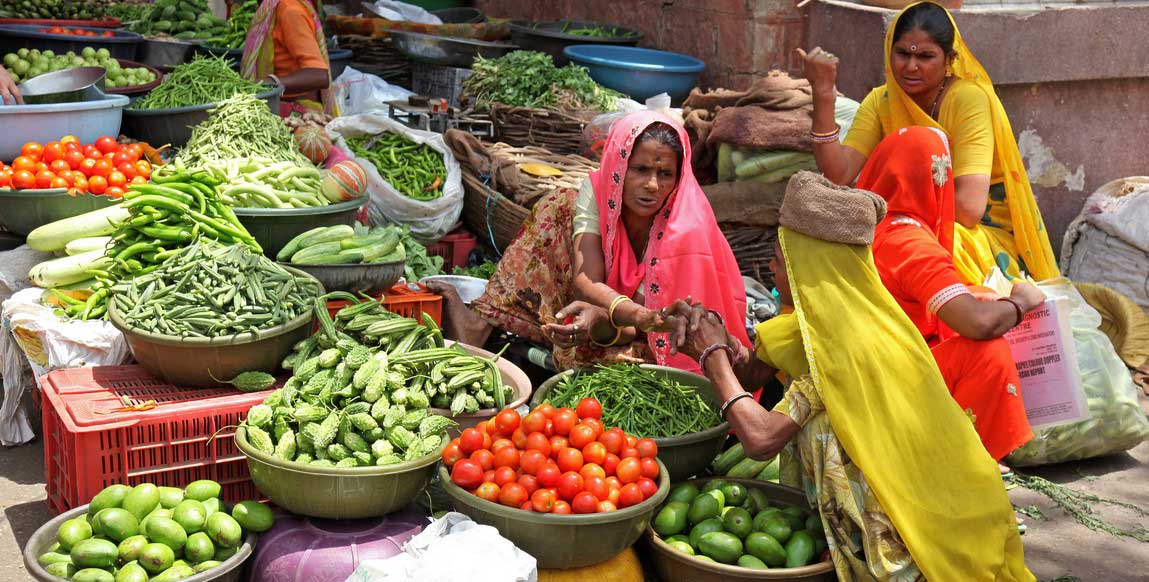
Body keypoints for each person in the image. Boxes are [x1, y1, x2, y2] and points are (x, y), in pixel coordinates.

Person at [663, 173, 1033, 581]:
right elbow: (754, 369)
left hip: (911, 538)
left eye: (780, 259)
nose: (770, 267)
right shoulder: (824, 322)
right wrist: (713, 338)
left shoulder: (843, 349)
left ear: (810, 270)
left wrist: (713, 357)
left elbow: (761, 439)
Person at [429, 111, 749, 372]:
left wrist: (625, 321)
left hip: (661, 338)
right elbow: (586, 279)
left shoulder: (684, 227)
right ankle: (479, 325)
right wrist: (627, 315)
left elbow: (657, 327)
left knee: (609, 366)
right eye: (639, 169)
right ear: (618, 166)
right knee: (558, 207)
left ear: (679, 177)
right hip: (620, 312)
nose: (652, 185)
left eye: (664, 173)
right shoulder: (597, 193)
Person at [799, 1, 1058, 286]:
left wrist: (900, 213)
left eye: (925, 57)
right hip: (904, 220)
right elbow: (839, 175)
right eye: (902, 54)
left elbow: (969, 209)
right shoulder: (882, 100)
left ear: (949, 60)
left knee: (921, 250)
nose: (911, 66)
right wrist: (822, 94)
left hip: (975, 232)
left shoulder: (968, 100)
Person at [858, 126, 1041, 466]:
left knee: (978, 300)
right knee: (989, 350)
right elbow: (978, 324)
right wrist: (1021, 303)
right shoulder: (910, 243)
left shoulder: (870, 227)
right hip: (890, 383)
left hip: (866, 367)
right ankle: (962, 466)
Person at [240, 0, 334, 116]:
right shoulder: (272, 8)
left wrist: (263, 84)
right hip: (276, 105)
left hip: (298, 112)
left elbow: (319, 75)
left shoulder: (289, 10)